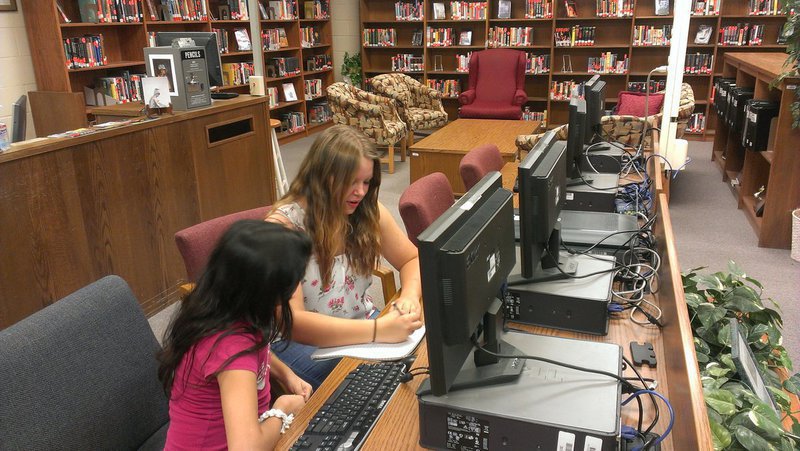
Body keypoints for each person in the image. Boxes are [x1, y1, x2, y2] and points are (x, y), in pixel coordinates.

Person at [266, 124, 423, 389]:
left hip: (359, 324)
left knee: (417, 364)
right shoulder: (283, 229)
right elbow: (294, 322)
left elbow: (411, 259)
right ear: (322, 177)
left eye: (366, 182)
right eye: (350, 181)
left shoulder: (366, 211)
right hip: (299, 342)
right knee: (371, 384)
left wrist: (408, 296)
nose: (360, 192)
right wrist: (379, 331)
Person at [158, 220, 313, 450]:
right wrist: (282, 409)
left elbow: (258, 354)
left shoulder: (223, 310)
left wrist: (285, 374)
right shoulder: (232, 349)